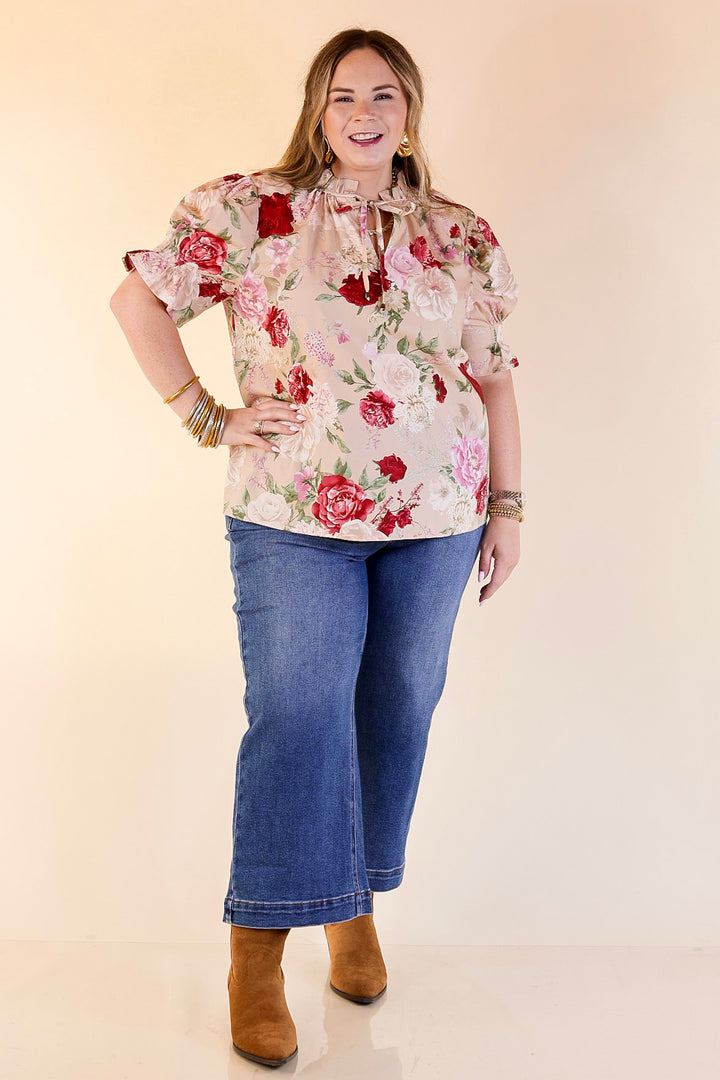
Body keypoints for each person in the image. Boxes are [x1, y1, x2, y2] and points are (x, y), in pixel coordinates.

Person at [110, 26, 523, 1069]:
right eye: (344, 96)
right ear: (317, 109)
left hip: (438, 518)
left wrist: (508, 509)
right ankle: (259, 949)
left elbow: (496, 378)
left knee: (397, 708)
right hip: (292, 512)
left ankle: (351, 908)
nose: (364, 113)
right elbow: (136, 300)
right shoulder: (251, 210)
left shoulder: (462, 235)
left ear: (412, 110)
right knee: (297, 712)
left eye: (385, 94)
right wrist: (207, 416)